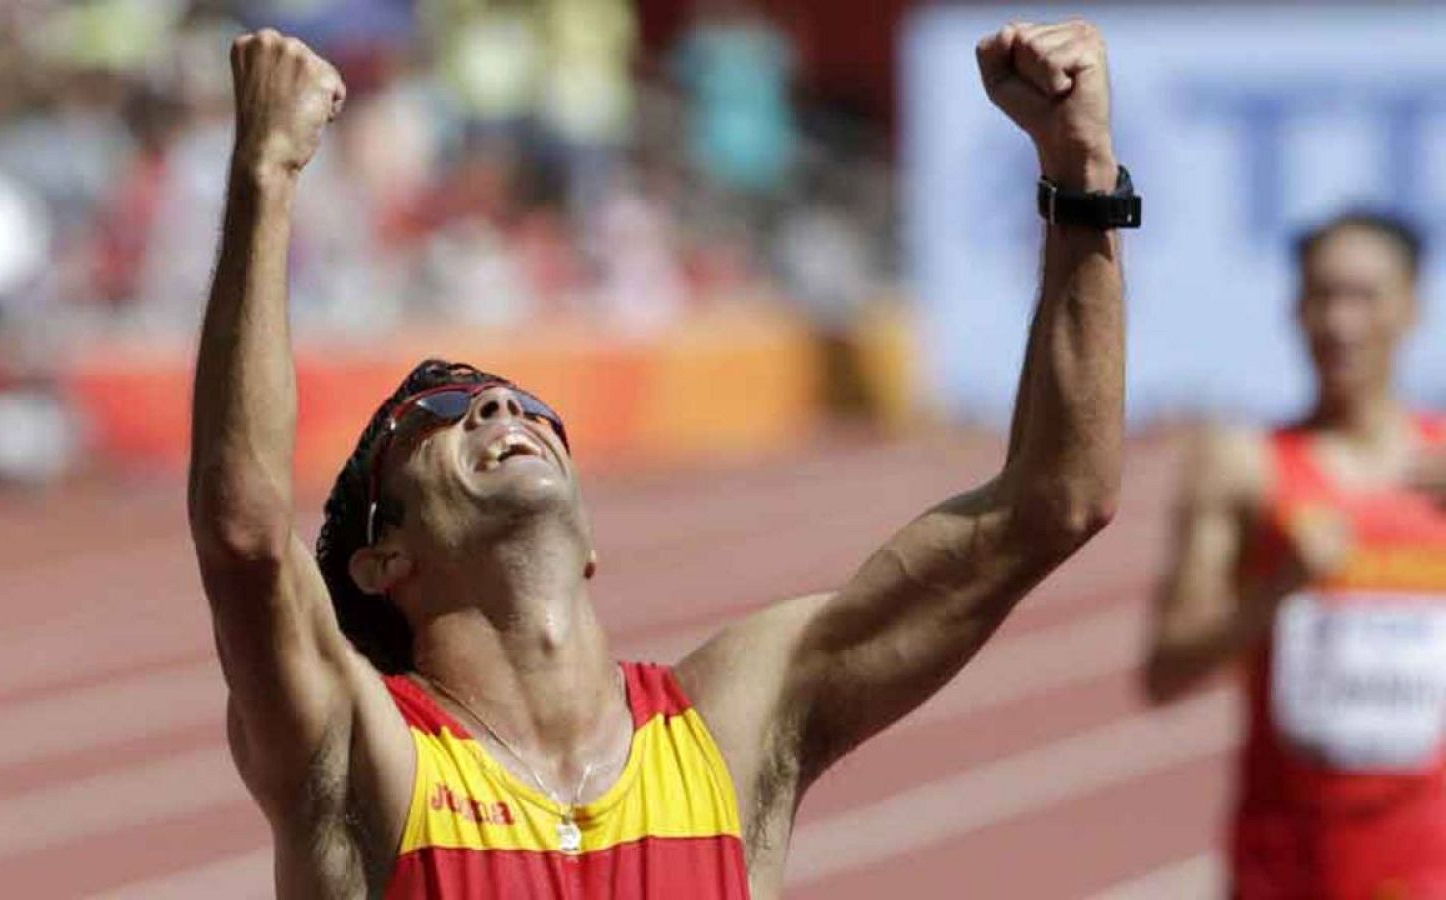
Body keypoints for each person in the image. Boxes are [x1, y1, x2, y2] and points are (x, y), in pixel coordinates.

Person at [189, 20, 1128, 898]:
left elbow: (1058, 501)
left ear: (589, 540)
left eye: (526, 405)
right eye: (434, 415)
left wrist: (1080, 172)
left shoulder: (732, 723)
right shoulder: (370, 753)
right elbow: (245, 535)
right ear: (381, 558)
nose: (500, 407)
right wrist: (266, 172)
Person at [1144, 212, 1446, 897]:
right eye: (1322, 296)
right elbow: (1165, 672)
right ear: (1296, 309)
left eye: (1364, 297)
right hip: (1288, 863)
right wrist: (1278, 588)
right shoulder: (1245, 469)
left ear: (1411, 309)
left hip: (1429, 860)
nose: (1341, 322)